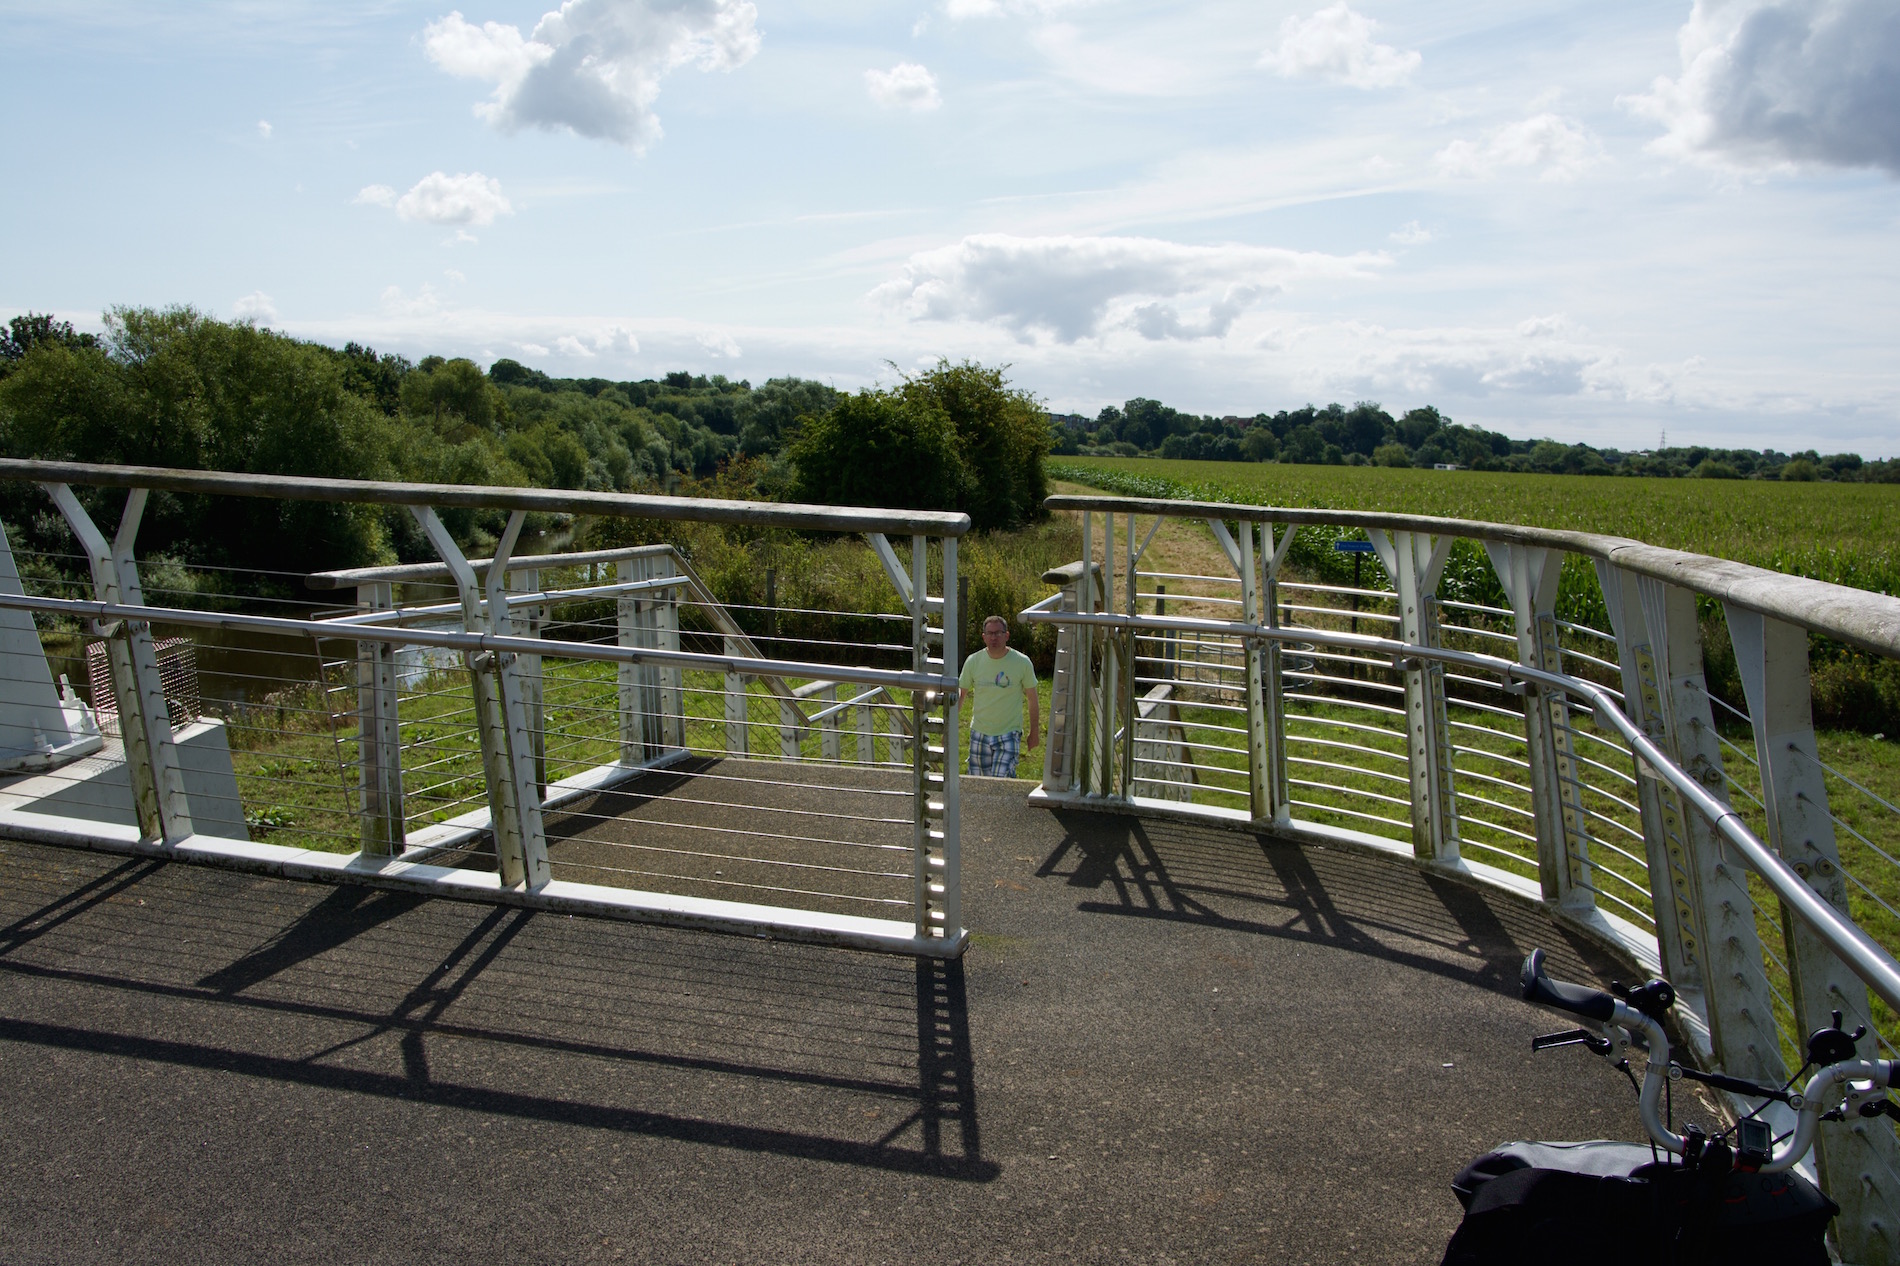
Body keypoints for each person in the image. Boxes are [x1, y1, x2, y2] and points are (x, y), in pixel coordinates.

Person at [952, 615, 1039, 778]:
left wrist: (1034, 731)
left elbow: (1032, 699)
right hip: (980, 732)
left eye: (998, 633)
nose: (994, 638)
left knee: (1001, 782)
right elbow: (960, 695)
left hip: (1009, 733)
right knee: (978, 783)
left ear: (1007, 635)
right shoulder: (973, 661)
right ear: (983, 637)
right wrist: (949, 728)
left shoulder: (1022, 662)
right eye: (990, 633)